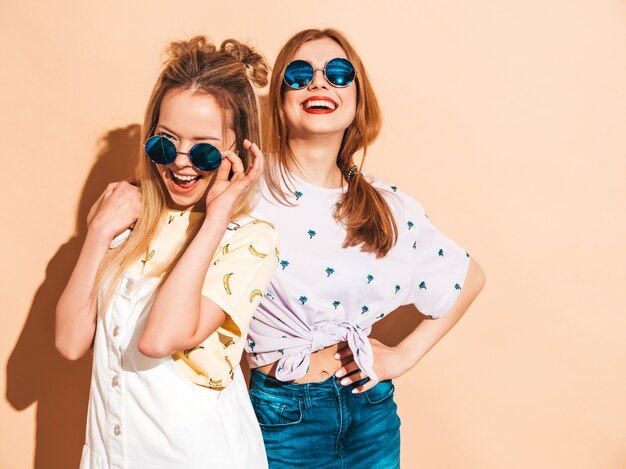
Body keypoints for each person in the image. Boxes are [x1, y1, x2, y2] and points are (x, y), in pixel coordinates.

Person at [246, 28, 486, 468]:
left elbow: (469, 276)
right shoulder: (246, 191)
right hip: (282, 416)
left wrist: (403, 355)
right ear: (279, 98)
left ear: (358, 98)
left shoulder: (387, 205)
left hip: (370, 412)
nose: (319, 83)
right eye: (299, 74)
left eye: (338, 73)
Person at [55, 36, 276, 468]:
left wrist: (215, 216)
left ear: (240, 150)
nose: (179, 162)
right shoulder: (124, 216)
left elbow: (160, 339)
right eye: (164, 142)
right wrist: (99, 231)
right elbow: (68, 342)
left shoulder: (248, 239)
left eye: (205, 150)